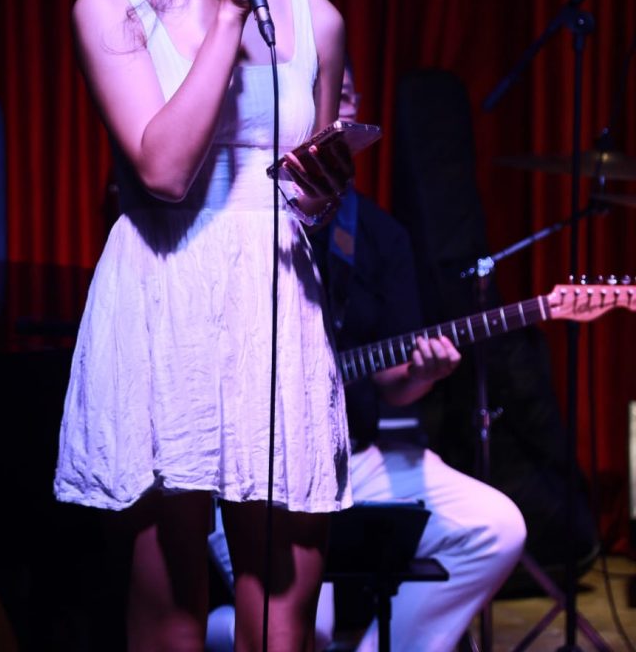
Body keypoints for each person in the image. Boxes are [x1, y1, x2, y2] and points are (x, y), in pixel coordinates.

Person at [53, 0, 356, 652]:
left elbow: (314, 193)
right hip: (162, 295)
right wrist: (228, 14)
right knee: (170, 620)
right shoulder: (111, 8)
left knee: (282, 624)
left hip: (276, 303)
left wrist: (322, 191)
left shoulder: (316, 19)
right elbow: (164, 171)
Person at [207, 63, 527, 652]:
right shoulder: (238, 221)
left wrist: (423, 373)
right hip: (257, 468)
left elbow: (394, 383)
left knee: (496, 527)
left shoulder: (380, 234)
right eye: (322, 96)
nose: (340, 108)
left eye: (347, 96)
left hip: (355, 458)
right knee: (304, 630)